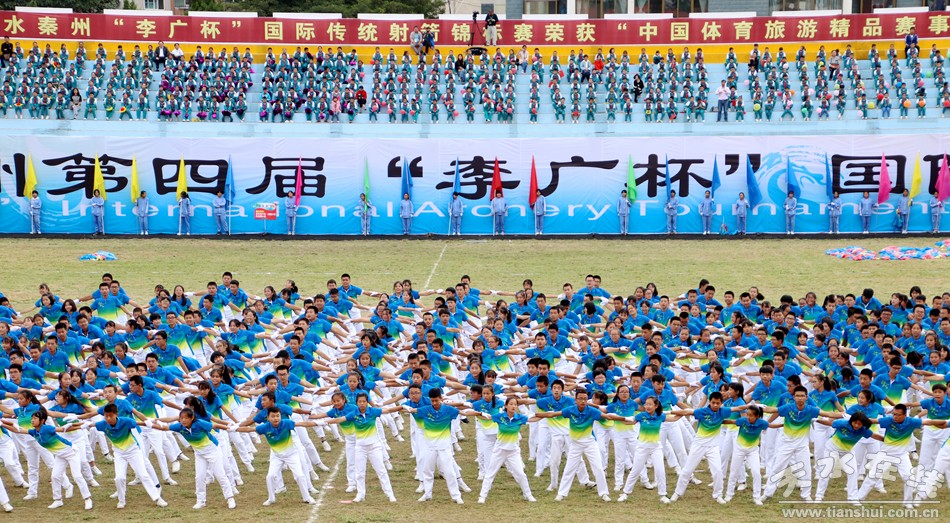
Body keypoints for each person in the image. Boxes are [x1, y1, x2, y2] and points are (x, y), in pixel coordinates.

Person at [2, 409, 93, 510]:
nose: (32, 420)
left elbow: (64, 429)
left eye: (35, 418)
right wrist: (2, 424)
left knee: (77, 476)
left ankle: (87, 499)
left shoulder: (47, 428)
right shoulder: (34, 432)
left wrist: (83, 425)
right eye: (32, 418)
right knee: (55, 476)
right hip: (60, 455)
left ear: (42, 421)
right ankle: (58, 500)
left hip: (72, 453)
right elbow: (17, 429)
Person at [318, 392, 400, 503]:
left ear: (367, 402)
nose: (362, 404)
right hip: (360, 448)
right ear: (357, 403)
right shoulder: (353, 414)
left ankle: (390, 494)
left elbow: (388, 410)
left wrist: (402, 407)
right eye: (360, 402)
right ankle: (361, 494)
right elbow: (339, 419)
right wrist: (324, 422)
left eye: (364, 402)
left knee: (381, 471)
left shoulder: (373, 411)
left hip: (374, 447)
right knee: (360, 472)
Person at [150, 408, 236, 510]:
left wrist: (229, 428)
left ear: (192, 418)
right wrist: (147, 424)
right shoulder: (179, 426)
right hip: (199, 454)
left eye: (186, 418)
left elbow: (215, 425)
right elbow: (164, 428)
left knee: (220, 475)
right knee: (199, 477)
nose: (183, 420)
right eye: (181, 418)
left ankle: (230, 498)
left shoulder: (199, 423)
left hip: (213, 451)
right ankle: (201, 501)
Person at [233, 406, 319, 506]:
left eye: (278, 416)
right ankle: (271, 498)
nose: (275, 418)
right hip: (277, 456)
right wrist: (234, 429)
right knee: (270, 476)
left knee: (300, 476)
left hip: (291, 455)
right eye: (273, 416)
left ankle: (307, 497)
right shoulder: (265, 427)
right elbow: (249, 429)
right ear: (268, 418)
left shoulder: (286, 423)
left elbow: (302, 424)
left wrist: (319, 423)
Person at [406, 389, 465, 504]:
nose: (434, 403)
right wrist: (405, 408)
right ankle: (427, 494)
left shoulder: (448, 410)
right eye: (432, 401)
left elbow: (463, 413)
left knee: (449, 472)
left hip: (444, 447)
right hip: (429, 446)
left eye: (436, 401)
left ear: (441, 398)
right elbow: (412, 410)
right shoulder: (426, 409)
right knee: (427, 470)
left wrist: (480, 413)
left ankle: (456, 496)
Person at [475, 396, 536, 503]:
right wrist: (478, 413)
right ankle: (482, 496)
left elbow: (534, 418)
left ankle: (528, 495)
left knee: (521, 474)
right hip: (499, 450)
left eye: (515, 404)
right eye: (511, 404)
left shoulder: (519, 418)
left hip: (513, 451)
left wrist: (548, 415)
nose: (513, 406)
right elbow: (487, 417)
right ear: (506, 406)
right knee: (490, 473)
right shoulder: (500, 416)